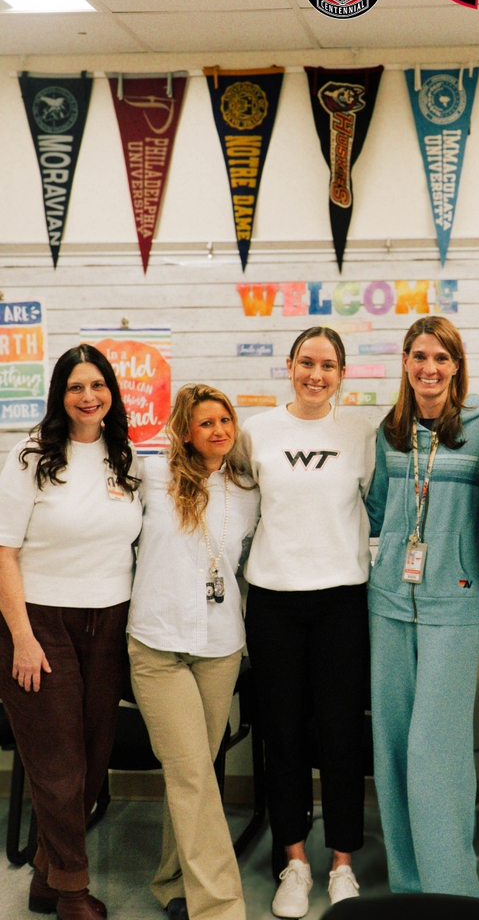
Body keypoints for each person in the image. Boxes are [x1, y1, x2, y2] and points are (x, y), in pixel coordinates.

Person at [0, 344, 142, 920]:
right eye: (76, 386)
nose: (89, 397)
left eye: (98, 385)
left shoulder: (124, 457)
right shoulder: (30, 455)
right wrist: (23, 637)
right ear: (60, 394)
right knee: (58, 768)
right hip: (40, 623)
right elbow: (3, 552)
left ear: (111, 392)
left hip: (108, 621)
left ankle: (45, 877)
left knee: (91, 758)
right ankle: (73, 895)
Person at [367, 315, 479, 897]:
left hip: (456, 601)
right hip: (389, 602)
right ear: (405, 362)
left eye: (442, 358)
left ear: (456, 365)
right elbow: (376, 512)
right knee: (393, 746)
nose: (430, 368)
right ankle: (408, 886)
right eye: (420, 356)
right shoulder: (390, 429)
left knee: (434, 749)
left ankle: (451, 891)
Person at [243, 326, 375, 919]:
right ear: (289, 366)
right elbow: (241, 508)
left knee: (343, 734)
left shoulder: (360, 433)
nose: (315, 374)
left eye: (327, 365)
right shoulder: (259, 431)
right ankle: (293, 861)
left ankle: (342, 863)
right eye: (305, 363)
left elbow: (376, 508)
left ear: (342, 374)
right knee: (284, 734)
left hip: (343, 601)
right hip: (273, 600)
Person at [127, 384, 260, 920]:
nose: (219, 430)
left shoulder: (247, 487)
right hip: (157, 645)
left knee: (196, 773)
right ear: (185, 430)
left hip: (219, 645)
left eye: (225, 419)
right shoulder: (148, 476)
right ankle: (221, 907)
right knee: (190, 773)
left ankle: (172, 883)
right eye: (206, 423)